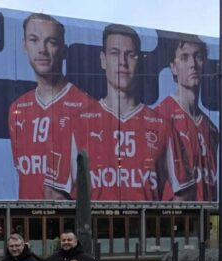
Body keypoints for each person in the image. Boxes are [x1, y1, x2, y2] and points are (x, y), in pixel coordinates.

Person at [53, 24, 180, 202]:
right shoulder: (76, 124)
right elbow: (55, 193)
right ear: (103, 60)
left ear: (139, 61)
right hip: (96, 221)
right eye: (115, 53)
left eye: (131, 55)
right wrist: (82, 220)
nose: (123, 62)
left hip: (143, 220)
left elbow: (184, 193)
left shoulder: (162, 126)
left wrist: (158, 218)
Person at [8, 13, 92, 200]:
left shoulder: (87, 107)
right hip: (26, 214)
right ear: (24, 46)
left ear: (63, 50)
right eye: (34, 40)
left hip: (70, 214)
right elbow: (23, 169)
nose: (42, 50)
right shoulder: (17, 108)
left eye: (51, 42)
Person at [157, 34, 219, 201]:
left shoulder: (212, 128)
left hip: (205, 212)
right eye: (184, 57)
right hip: (173, 213)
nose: (193, 64)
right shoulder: (160, 116)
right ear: (173, 67)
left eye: (198, 57)